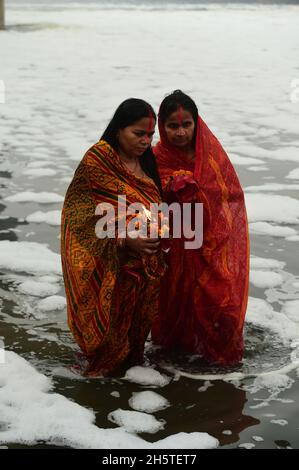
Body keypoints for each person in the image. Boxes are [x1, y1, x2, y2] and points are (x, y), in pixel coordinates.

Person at [61, 98, 166, 377]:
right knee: (106, 351)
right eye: (138, 133)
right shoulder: (99, 159)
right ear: (119, 129)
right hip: (112, 264)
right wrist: (124, 239)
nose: (145, 141)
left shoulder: (147, 164)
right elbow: (82, 213)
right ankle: (99, 394)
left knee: (134, 349)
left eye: (150, 135)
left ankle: (129, 383)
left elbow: (155, 208)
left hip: (144, 269)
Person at [151, 90, 250, 366]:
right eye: (173, 126)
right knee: (173, 307)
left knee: (220, 304)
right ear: (162, 126)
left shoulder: (209, 156)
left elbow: (229, 195)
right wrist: (172, 184)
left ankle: (223, 364)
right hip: (173, 245)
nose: (180, 133)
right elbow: (145, 195)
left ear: (197, 124)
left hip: (208, 242)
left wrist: (198, 191)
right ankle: (175, 363)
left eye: (186, 125)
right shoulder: (156, 157)